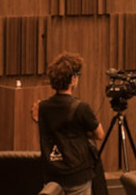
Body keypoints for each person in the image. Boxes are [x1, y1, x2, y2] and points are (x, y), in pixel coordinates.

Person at [37, 52, 105, 195]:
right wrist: (83, 133)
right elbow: (99, 134)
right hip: (77, 175)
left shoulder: (42, 107)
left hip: (51, 174)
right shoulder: (81, 107)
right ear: (73, 79)